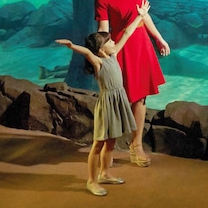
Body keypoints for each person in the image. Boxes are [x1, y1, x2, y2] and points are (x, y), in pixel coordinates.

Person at [54, 11, 143, 196]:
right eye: (109, 41)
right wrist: (71, 46)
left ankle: (104, 173)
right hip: (107, 105)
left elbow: (126, 34)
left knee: (111, 142)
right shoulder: (99, 63)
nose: (113, 43)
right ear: (101, 49)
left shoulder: (113, 55)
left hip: (118, 101)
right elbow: (87, 52)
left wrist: (140, 16)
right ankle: (91, 181)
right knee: (98, 144)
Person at [95, 0, 170, 168]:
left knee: (141, 96)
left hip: (140, 44)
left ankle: (136, 144)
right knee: (120, 98)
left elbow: (143, 16)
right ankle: (108, 147)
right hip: (119, 47)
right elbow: (103, 30)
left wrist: (159, 38)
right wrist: (106, 55)